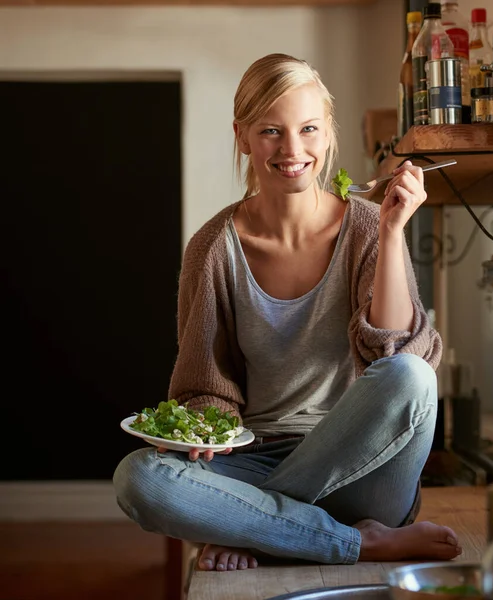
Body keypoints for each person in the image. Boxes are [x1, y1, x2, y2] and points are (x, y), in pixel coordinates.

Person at [113, 53, 461, 572]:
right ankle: (355, 543)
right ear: (242, 136)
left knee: (412, 375)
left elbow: (392, 352)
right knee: (138, 478)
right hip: (254, 457)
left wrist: (392, 233)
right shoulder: (212, 249)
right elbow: (204, 386)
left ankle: (256, 529)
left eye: (308, 129)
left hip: (363, 470)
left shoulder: (366, 225)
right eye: (271, 131)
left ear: (327, 135)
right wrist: (208, 432)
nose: (292, 149)